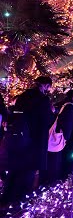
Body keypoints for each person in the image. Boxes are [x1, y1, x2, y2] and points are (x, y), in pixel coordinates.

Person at [0, 76, 54, 209]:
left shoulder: (23, 96)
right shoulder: (43, 99)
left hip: (19, 137)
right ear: (46, 85)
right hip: (34, 140)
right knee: (28, 172)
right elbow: (46, 120)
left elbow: (15, 113)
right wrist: (52, 113)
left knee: (14, 170)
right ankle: (20, 202)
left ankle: (6, 199)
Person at [46, 89, 73, 185]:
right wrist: (66, 136)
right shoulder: (70, 106)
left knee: (54, 158)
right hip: (61, 135)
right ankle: (53, 180)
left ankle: (50, 179)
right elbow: (67, 122)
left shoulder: (63, 104)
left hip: (56, 133)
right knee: (57, 159)